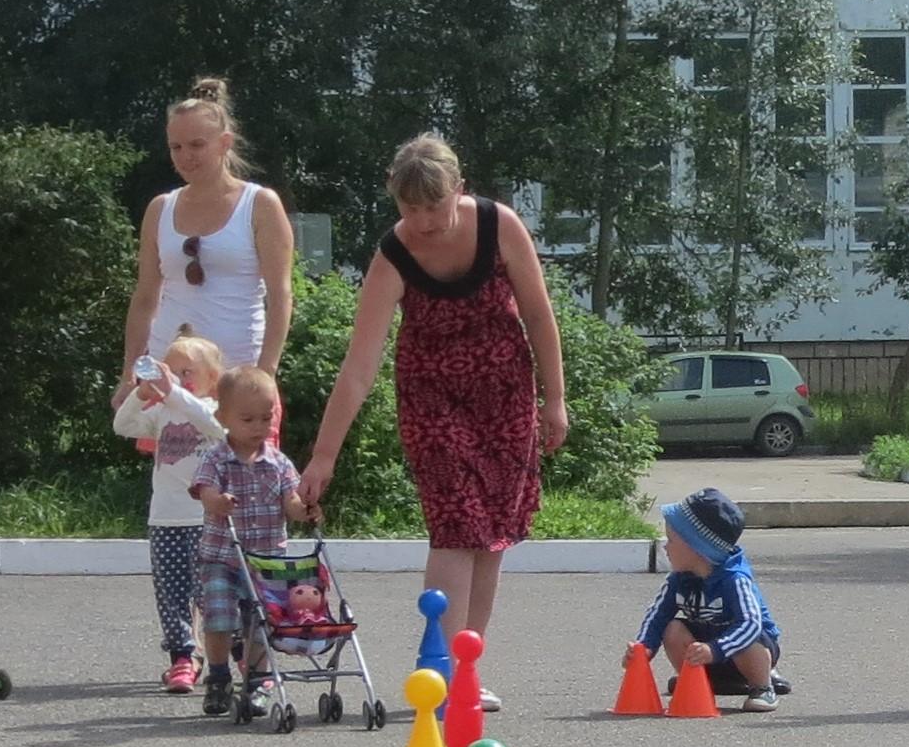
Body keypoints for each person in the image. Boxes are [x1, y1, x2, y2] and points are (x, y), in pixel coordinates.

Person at [297, 135, 570, 710]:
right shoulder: (393, 255)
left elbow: (540, 314)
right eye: (409, 208)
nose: (422, 220)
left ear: (459, 191)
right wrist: (325, 455)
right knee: (456, 526)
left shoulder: (500, 226)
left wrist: (555, 400)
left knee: (492, 536)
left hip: (505, 398)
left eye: (434, 206)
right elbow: (359, 366)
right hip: (432, 403)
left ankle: (469, 666)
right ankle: (439, 669)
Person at [120, 77, 296, 376]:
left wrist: (266, 373)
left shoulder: (260, 205)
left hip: (237, 378)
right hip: (167, 378)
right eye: (176, 147)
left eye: (197, 145)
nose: (185, 156)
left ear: (224, 143)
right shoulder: (160, 209)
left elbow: (280, 296)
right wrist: (129, 374)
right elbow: (145, 298)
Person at [186, 367, 310, 718]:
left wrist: (306, 509)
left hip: (266, 561)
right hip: (222, 558)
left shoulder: (279, 463)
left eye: (266, 418)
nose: (258, 426)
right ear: (223, 417)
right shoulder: (215, 458)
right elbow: (205, 492)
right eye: (248, 419)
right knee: (219, 618)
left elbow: (292, 504)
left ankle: (257, 679)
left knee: (261, 623)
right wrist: (217, 501)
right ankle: (219, 676)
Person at [111, 335, 227, 692]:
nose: (176, 377)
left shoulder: (212, 409)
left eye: (186, 371)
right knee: (171, 593)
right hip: (165, 516)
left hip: (204, 518)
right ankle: (182, 656)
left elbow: (217, 429)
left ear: (212, 377)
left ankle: (228, 654)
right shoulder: (162, 413)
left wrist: (175, 393)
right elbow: (123, 426)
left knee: (211, 593)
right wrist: (142, 394)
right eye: (171, 369)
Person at [636, 487, 787, 713]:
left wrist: (715, 649)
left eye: (671, 540)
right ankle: (697, 680)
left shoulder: (735, 580)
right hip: (704, 656)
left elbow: (750, 624)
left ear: (698, 547)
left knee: (748, 637)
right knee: (672, 627)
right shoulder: (678, 579)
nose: (666, 547)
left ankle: (762, 686)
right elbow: (657, 615)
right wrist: (643, 648)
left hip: (741, 652)